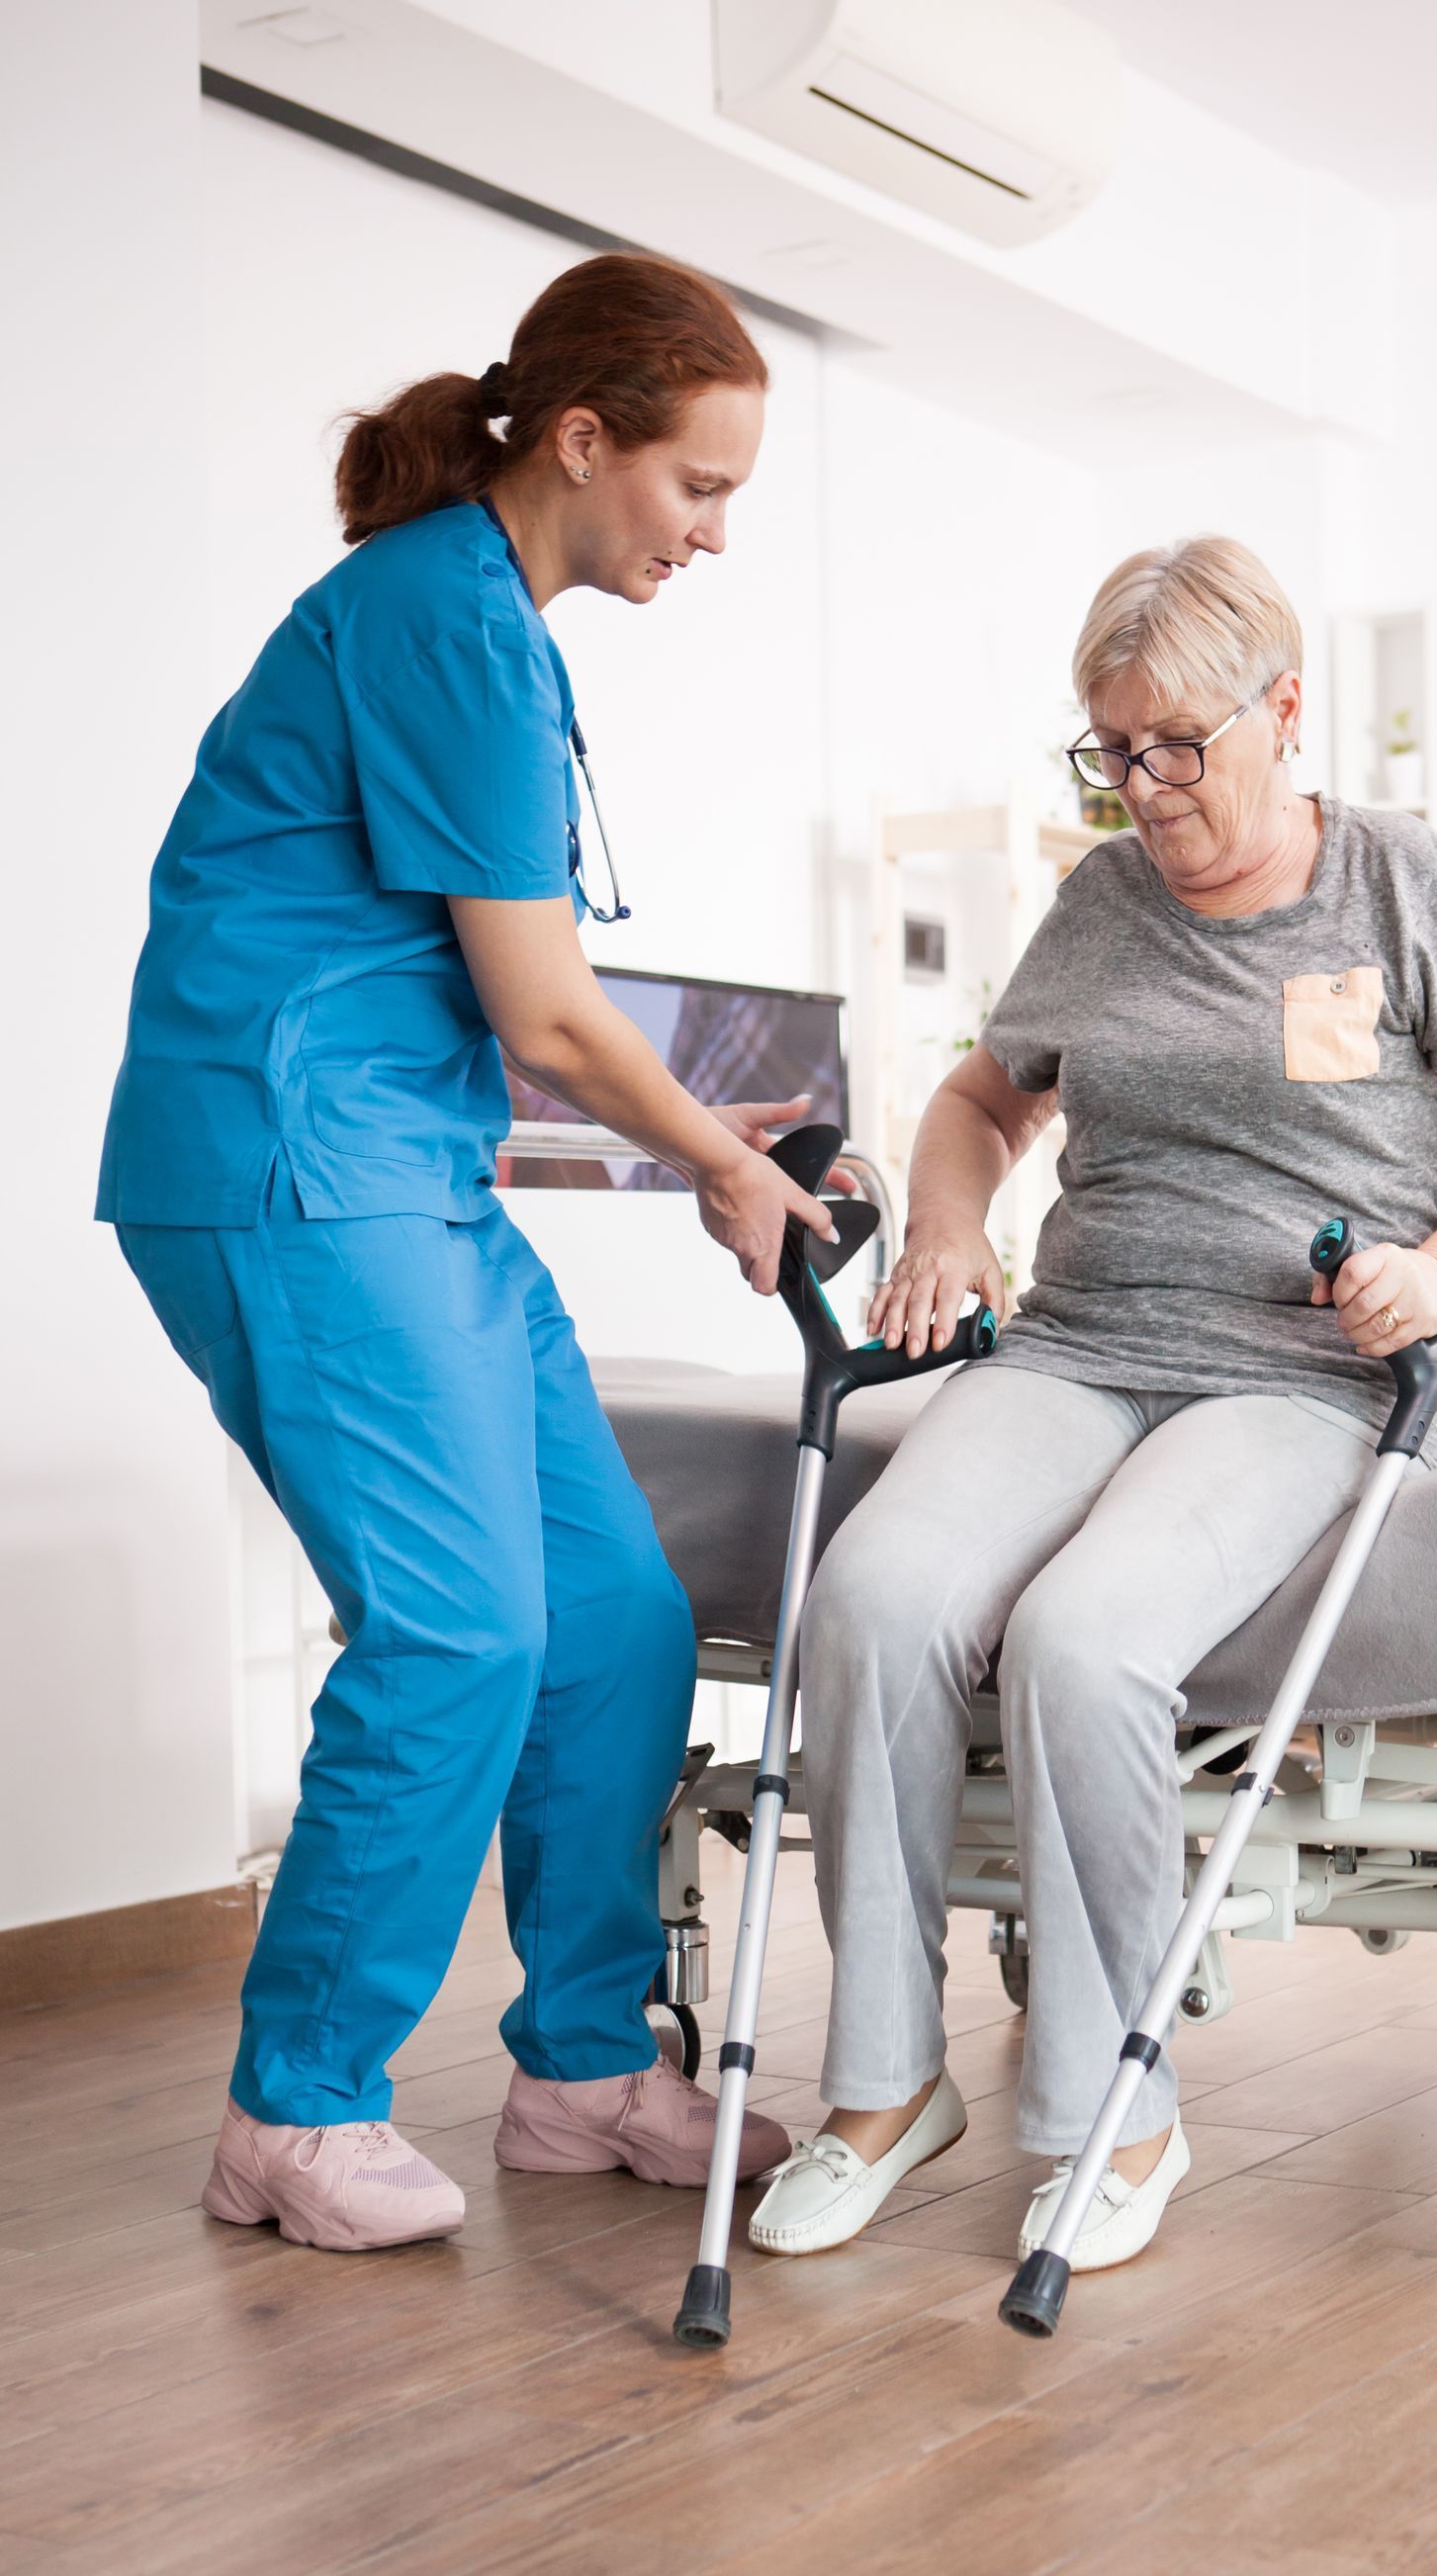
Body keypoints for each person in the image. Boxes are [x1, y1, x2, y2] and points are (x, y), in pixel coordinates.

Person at [748, 536, 1437, 2274]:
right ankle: (887, 2087)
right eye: (1111, 752)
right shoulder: (1099, 902)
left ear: (1286, 709)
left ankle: (1111, 2110)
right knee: (873, 1598)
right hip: (1077, 1343)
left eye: (1178, 747)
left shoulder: (1398, 880)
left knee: (1085, 1640)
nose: (1142, 788)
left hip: (1301, 1366)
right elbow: (981, 1103)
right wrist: (954, 1222)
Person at [99, 252, 807, 2252]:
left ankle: (581, 2072)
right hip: (286, 1167)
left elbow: (517, 998)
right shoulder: (441, 615)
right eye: (698, 486)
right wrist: (719, 1166)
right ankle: (295, 2109)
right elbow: (546, 1013)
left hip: (406, 1172)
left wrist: (706, 1130)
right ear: (581, 441)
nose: (715, 533)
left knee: (614, 1619)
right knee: (459, 1626)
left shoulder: (489, 621)